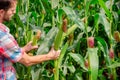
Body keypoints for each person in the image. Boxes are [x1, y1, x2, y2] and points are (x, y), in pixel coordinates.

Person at [0, 0, 60, 80]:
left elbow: (5, 51)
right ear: (1, 12)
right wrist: (50, 56)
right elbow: (27, 61)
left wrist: (25, 48)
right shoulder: (2, 36)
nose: (14, 12)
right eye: (12, 10)